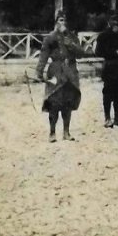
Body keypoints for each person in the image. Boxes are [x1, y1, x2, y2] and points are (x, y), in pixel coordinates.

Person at [35, 10, 83, 143]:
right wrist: (39, 71)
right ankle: (52, 132)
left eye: (65, 20)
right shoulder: (50, 38)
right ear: (56, 22)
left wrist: (70, 43)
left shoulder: (72, 37)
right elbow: (43, 56)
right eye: (60, 20)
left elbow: (81, 53)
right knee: (54, 103)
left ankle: (66, 132)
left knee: (68, 102)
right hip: (56, 72)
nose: (63, 23)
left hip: (70, 73)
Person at [94, 13, 118, 128]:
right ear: (109, 22)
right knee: (108, 92)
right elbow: (98, 52)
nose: (115, 23)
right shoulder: (103, 36)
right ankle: (107, 117)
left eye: (117, 21)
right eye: (113, 21)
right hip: (109, 65)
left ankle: (117, 117)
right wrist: (114, 52)